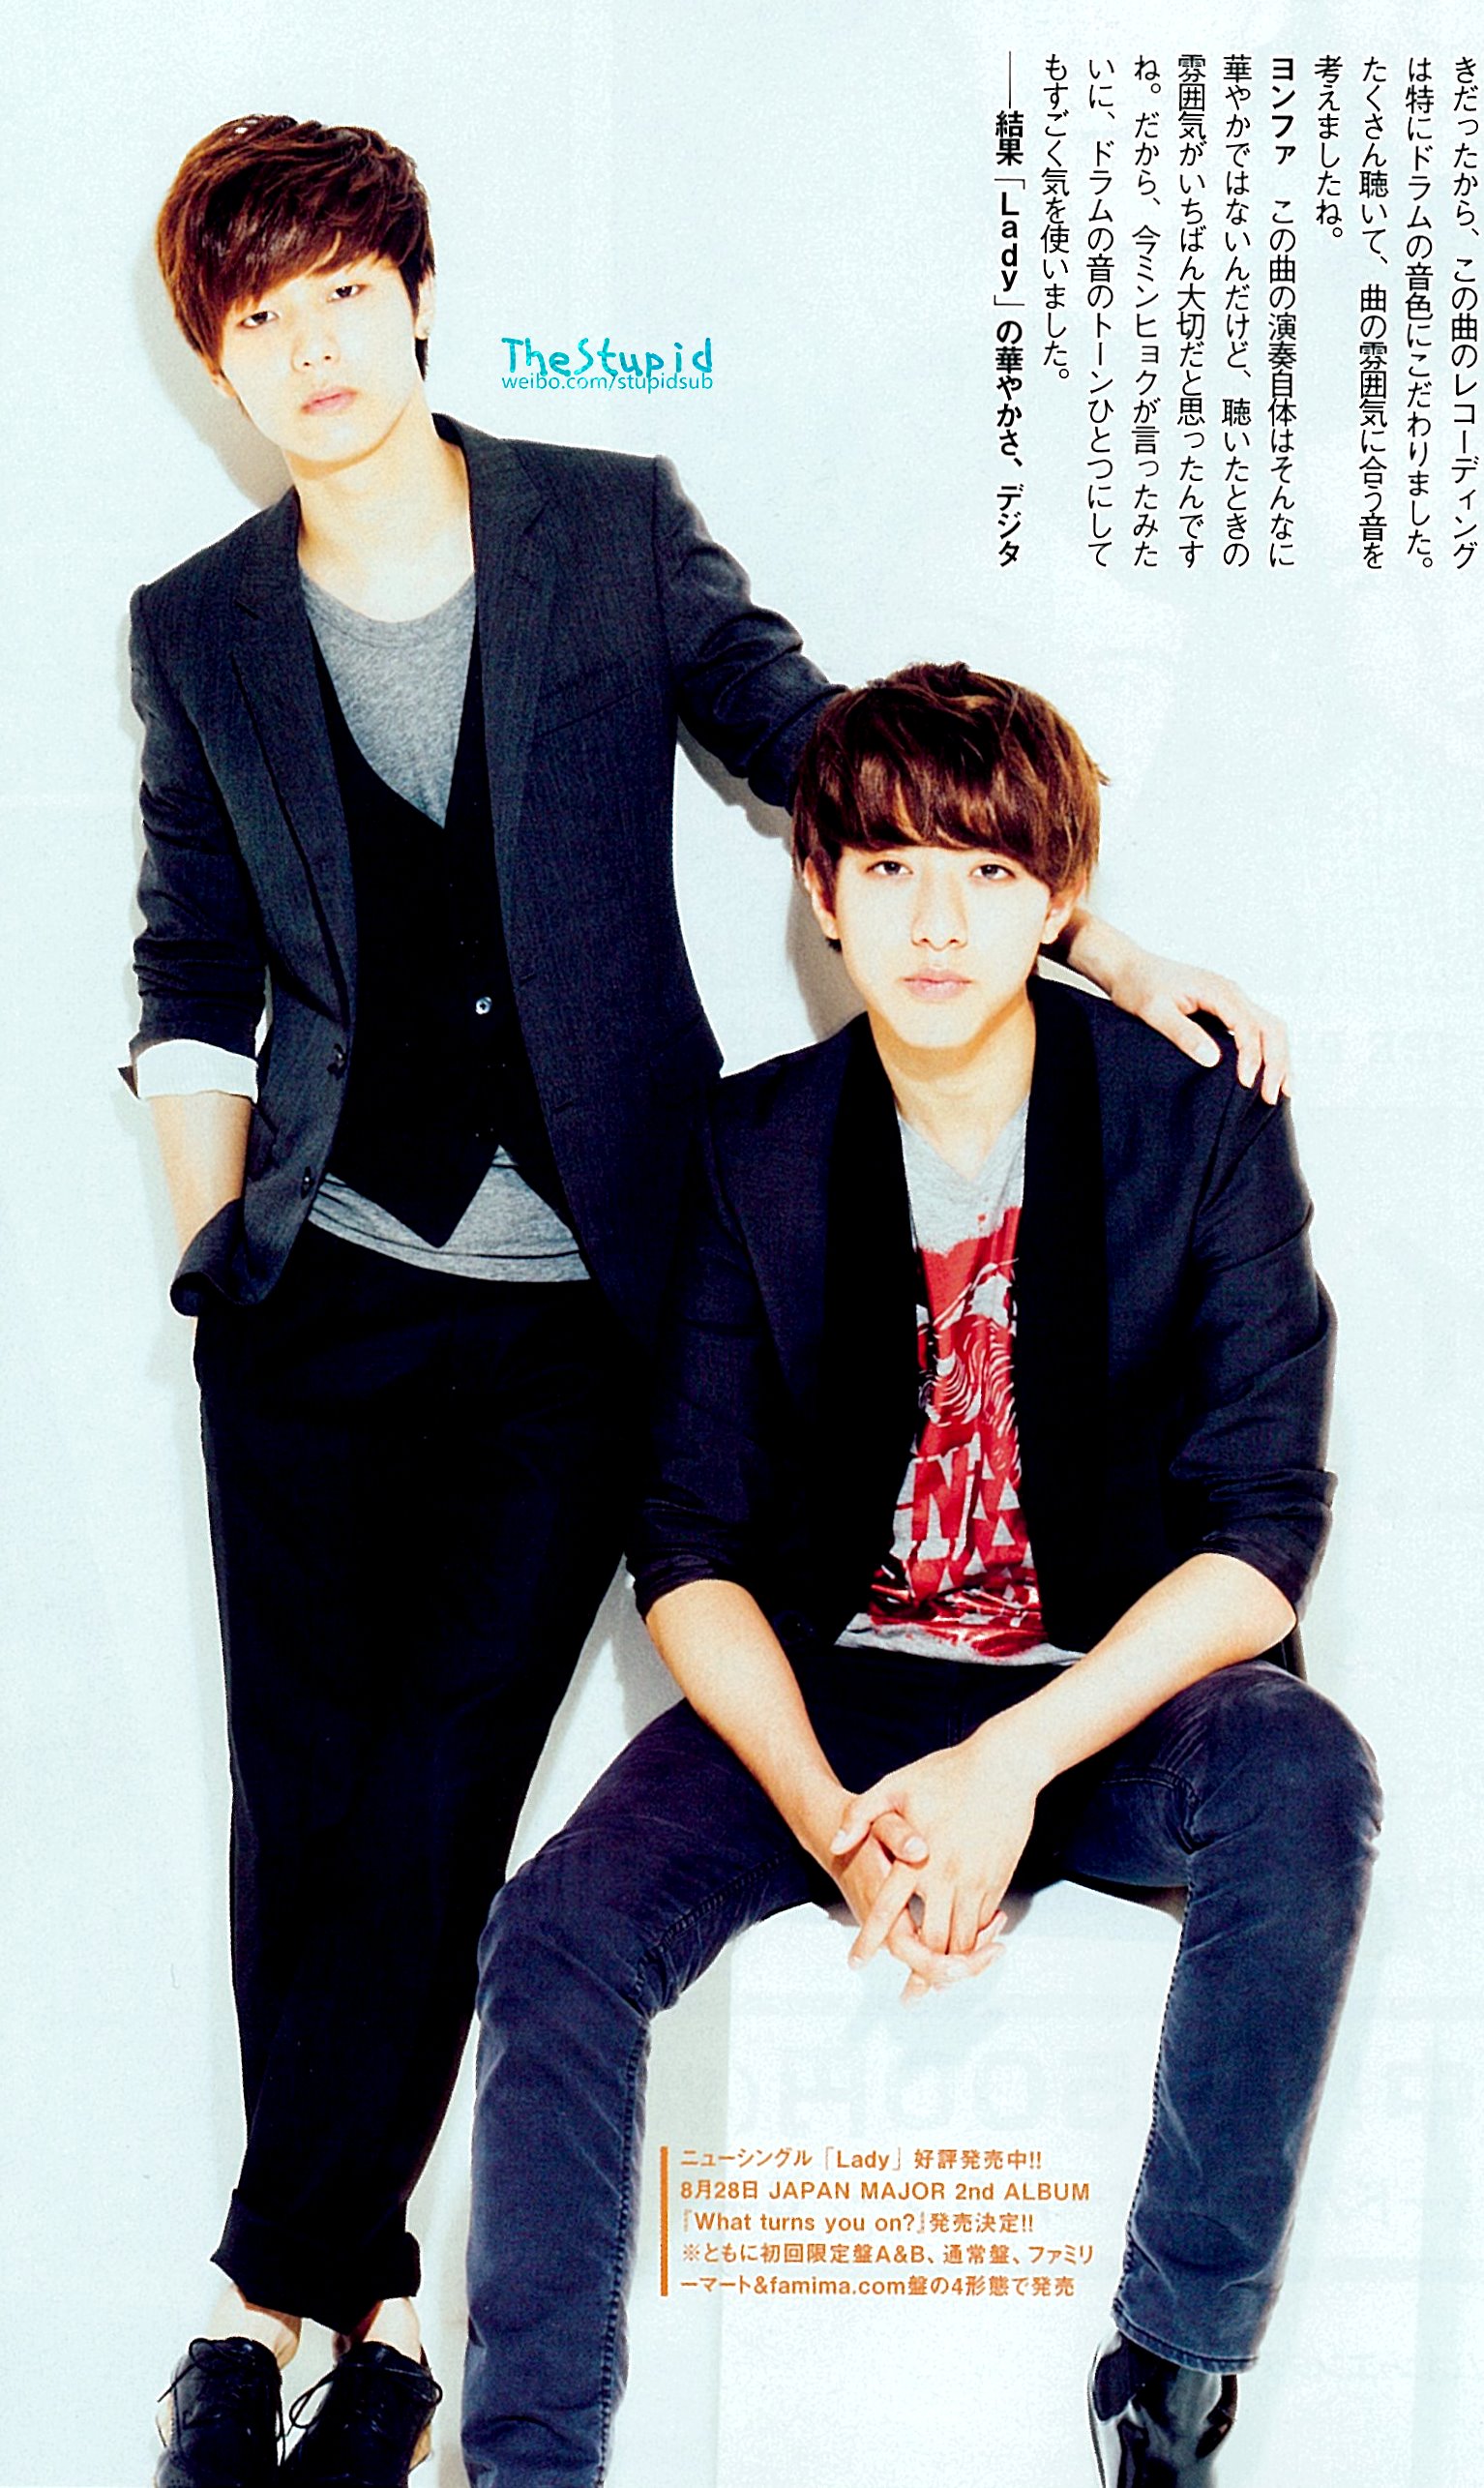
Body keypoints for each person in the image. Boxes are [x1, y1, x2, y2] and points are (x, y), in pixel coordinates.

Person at [130, 112, 1293, 2488]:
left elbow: (829, 761)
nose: (314, 347)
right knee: (303, 1799)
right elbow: (190, 959)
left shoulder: (605, 526)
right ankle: (349, 2318)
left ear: (415, 298)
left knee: (442, 1783)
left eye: (345, 292)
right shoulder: (198, 625)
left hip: (588, 1282)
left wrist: (1101, 938)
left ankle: (268, 2293)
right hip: (313, 1293)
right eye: (260, 319)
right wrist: (214, 1257)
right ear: (221, 366)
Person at [466, 665, 1381, 2487]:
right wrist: (830, 1818)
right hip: (840, 1699)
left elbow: (1262, 1533)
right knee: (554, 1934)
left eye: (984, 871)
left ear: (1057, 899)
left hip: (1098, 1700)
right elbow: (689, 1546)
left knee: (1304, 1772)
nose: (936, 921)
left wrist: (1007, 1764)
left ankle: (1171, 2377)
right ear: (821, 891)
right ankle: (530, 2468)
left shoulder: (1194, 1121)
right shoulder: (752, 1143)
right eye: (887, 869)